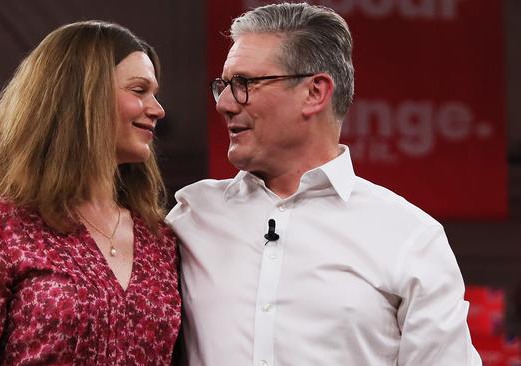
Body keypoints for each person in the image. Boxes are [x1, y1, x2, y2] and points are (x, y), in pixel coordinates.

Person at [166, 3, 481, 365]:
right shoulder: (191, 217)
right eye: (223, 85)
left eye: (244, 84)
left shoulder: (410, 237)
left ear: (315, 93)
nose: (224, 104)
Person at [0, 20, 181, 364]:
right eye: (139, 90)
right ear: (83, 96)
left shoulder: (161, 237)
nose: (158, 109)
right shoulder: (1, 225)